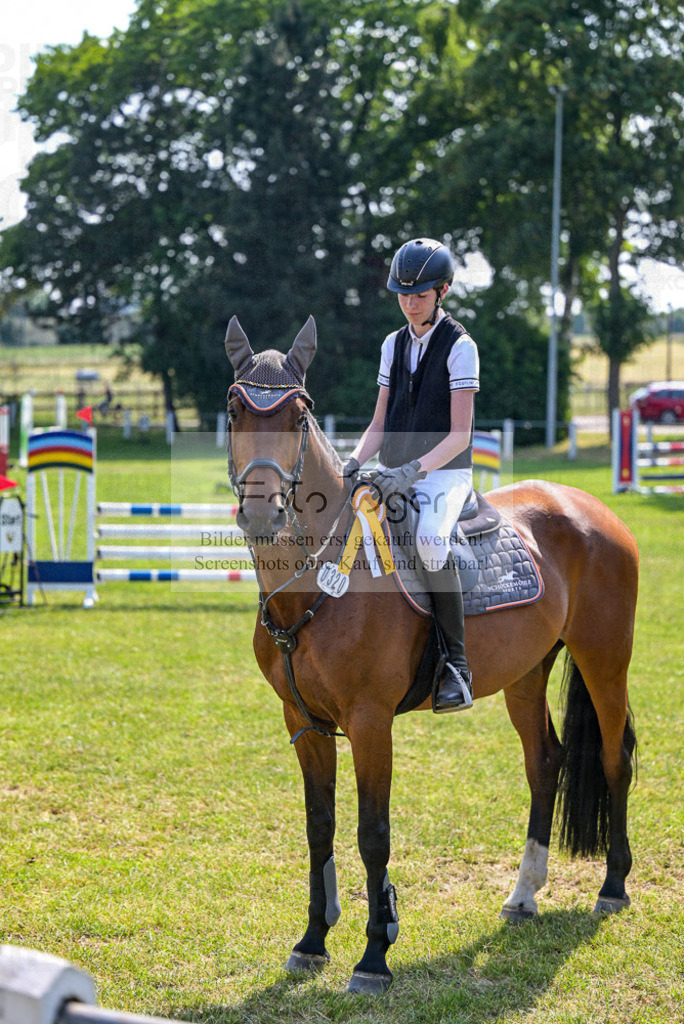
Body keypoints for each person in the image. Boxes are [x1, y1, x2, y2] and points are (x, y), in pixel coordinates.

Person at [343, 238, 479, 713]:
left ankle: (456, 666)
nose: (409, 302)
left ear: (442, 291)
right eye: (402, 293)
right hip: (390, 471)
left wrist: (411, 471)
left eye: (419, 293)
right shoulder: (391, 344)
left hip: (445, 474)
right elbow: (379, 423)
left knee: (428, 542)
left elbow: (460, 435)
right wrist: (353, 463)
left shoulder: (461, 346)